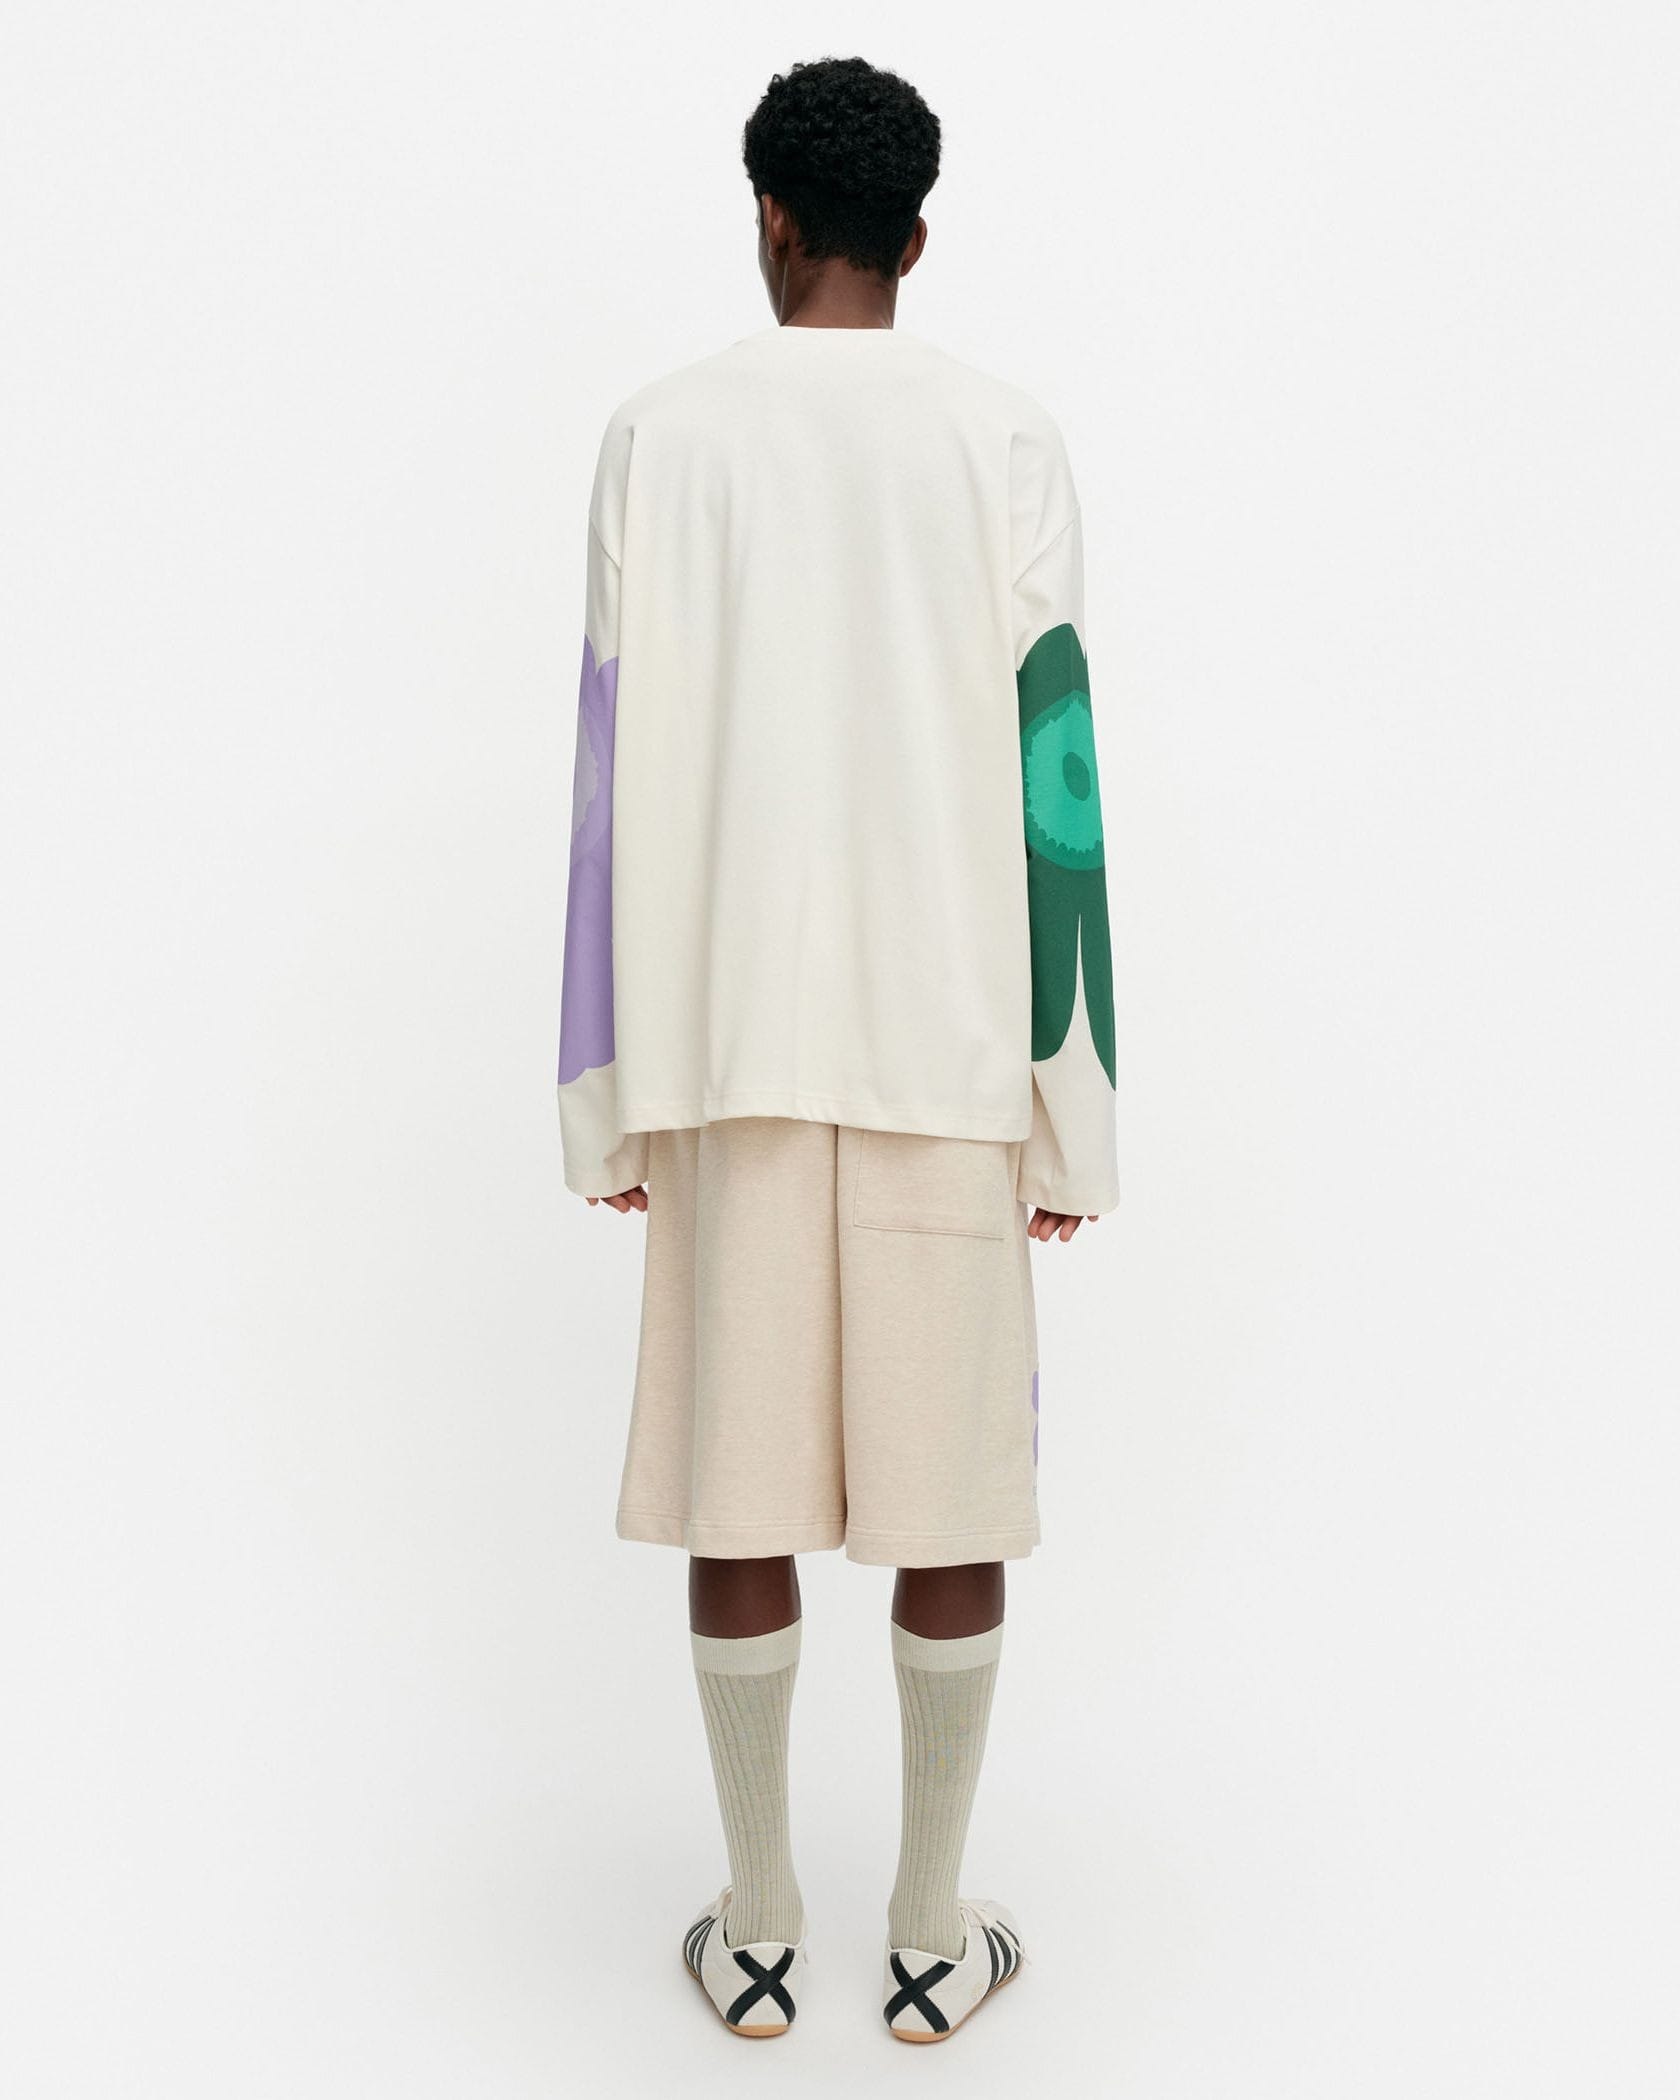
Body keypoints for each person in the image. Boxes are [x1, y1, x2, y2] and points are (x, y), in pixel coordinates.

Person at [555, 53, 1117, 2043]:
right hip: (947, 1047)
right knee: (950, 1503)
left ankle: (763, 1927)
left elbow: (607, 768)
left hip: (724, 1045)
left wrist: (603, 1094)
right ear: (918, 237)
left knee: (742, 1496)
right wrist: (1071, 1106)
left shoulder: (658, 434)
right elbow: (1059, 774)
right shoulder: (1005, 439)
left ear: (771, 219)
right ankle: (932, 1940)